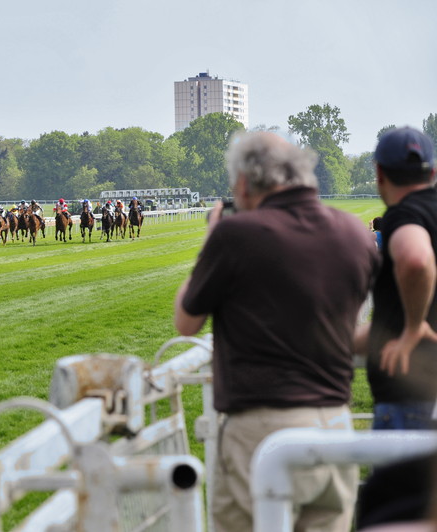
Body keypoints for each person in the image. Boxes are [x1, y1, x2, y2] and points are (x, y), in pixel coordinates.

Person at [173, 131, 379, 532]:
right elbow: (396, 321)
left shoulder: (235, 236)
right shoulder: (354, 233)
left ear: (246, 183)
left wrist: (210, 240)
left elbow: (186, 321)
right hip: (336, 423)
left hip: (260, 430)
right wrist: (336, 342)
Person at [354, 127, 437, 431]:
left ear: (379, 174)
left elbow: (415, 258)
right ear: (433, 172)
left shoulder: (405, 215)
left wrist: (414, 326)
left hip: (412, 397)